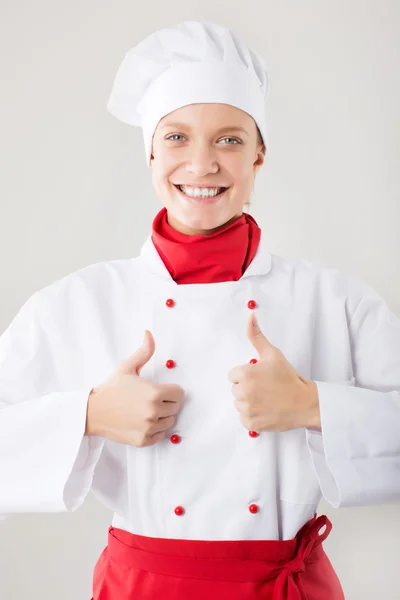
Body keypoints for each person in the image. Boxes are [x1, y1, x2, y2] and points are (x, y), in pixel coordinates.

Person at [0, 19, 399, 600]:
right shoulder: (77, 303)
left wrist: (315, 406)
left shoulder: (334, 300)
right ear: (150, 152)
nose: (203, 163)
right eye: (178, 137)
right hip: (144, 587)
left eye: (230, 139)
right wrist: (86, 416)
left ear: (260, 153)